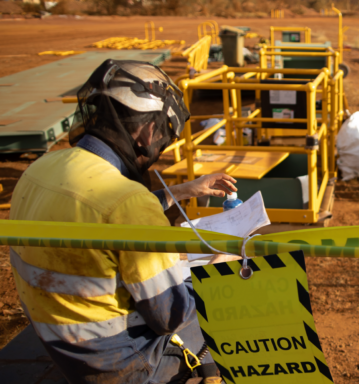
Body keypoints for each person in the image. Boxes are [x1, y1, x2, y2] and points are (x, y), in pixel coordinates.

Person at [9, 60, 238, 383]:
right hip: (120, 362)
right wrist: (220, 264)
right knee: (230, 325)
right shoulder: (128, 203)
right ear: (148, 130)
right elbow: (171, 316)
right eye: (162, 133)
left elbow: (103, 215)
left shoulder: (43, 169)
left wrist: (184, 190)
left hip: (58, 337)